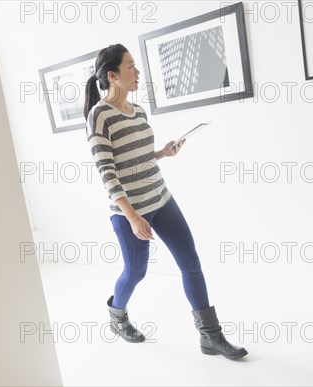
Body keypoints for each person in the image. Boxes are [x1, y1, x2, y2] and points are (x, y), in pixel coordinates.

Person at [83, 43, 247, 360]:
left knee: (191, 262)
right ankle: (117, 315)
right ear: (113, 76)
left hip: (161, 198)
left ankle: (211, 337)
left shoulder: (139, 111)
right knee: (136, 272)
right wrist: (132, 217)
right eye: (131, 66)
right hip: (130, 211)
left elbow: (139, 157)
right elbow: (108, 172)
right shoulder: (99, 116)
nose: (138, 71)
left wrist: (163, 153)